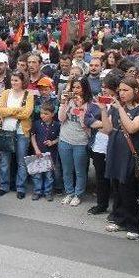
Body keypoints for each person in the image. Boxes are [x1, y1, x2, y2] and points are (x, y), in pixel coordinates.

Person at [100, 76, 139, 240]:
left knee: (129, 189)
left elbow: (132, 128)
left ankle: (136, 225)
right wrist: (104, 110)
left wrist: (119, 109)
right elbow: (107, 129)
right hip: (115, 151)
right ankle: (119, 219)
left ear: (136, 91)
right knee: (116, 187)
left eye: (126, 90)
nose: (122, 93)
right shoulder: (117, 107)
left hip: (131, 155)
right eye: (120, 90)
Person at [83, 72, 120, 215]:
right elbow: (87, 118)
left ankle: (117, 209)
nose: (103, 90)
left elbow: (110, 128)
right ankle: (101, 204)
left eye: (107, 87)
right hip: (98, 145)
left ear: (115, 89)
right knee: (100, 177)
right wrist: (101, 124)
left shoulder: (119, 104)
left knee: (116, 179)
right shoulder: (98, 100)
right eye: (102, 87)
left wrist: (104, 125)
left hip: (114, 146)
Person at [0, 71, 34, 199]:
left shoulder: (29, 94)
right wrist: (16, 110)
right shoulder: (6, 93)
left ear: (23, 81)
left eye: (16, 80)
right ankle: (4, 186)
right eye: (12, 80)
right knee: (4, 160)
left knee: (21, 161)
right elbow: (0, 110)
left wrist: (8, 112)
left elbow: (26, 114)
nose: (13, 82)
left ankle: (21, 187)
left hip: (21, 132)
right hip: (5, 130)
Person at [58, 78, 92, 206]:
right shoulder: (69, 101)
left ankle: (78, 194)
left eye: (78, 87)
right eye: (73, 87)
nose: (75, 90)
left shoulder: (90, 103)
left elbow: (86, 125)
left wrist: (80, 107)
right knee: (67, 170)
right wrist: (63, 103)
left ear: (84, 88)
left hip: (81, 142)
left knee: (79, 170)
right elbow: (61, 118)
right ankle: (69, 192)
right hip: (65, 139)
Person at [30, 102, 60, 201]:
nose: (43, 115)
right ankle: (37, 191)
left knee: (49, 175)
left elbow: (60, 137)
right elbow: (33, 137)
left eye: (46, 113)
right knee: (37, 174)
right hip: (38, 153)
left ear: (52, 114)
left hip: (50, 154)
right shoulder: (37, 124)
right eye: (41, 113)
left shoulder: (56, 125)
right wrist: (36, 149)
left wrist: (53, 142)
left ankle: (48, 192)